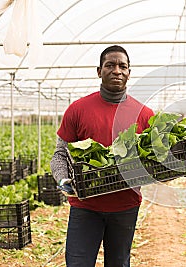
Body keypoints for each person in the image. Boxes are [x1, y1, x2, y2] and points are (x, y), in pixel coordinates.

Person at [50, 45, 154, 267]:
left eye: (122, 66)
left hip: (126, 206)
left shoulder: (145, 115)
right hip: (85, 206)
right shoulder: (78, 109)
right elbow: (60, 154)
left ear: (129, 72)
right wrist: (63, 180)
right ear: (99, 71)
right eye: (110, 65)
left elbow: (153, 160)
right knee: (78, 263)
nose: (117, 70)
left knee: (118, 263)